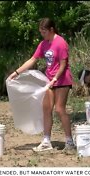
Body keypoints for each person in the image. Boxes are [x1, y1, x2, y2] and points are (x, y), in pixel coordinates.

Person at [7, 18, 75, 153]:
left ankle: (69, 141)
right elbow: (33, 59)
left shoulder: (60, 42)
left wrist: (55, 79)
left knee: (60, 110)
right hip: (48, 80)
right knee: (46, 109)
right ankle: (46, 141)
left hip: (62, 81)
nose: (42, 34)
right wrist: (16, 72)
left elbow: (63, 65)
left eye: (44, 32)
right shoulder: (44, 44)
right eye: (41, 32)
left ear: (51, 30)